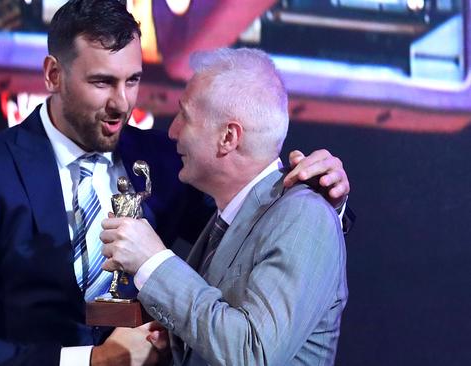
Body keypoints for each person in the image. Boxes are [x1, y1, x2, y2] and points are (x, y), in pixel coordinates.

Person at [0, 1, 351, 365]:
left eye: (133, 80)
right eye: (102, 82)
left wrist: (323, 196)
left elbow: (252, 232)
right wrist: (87, 362)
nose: (121, 104)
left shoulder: (166, 159)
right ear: (53, 75)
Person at [100, 48, 348, 366]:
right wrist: (171, 342)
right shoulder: (228, 214)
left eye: (185, 117)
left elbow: (253, 353)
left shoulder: (302, 215)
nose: (173, 131)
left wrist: (154, 262)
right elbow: (217, 328)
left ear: (228, 137)